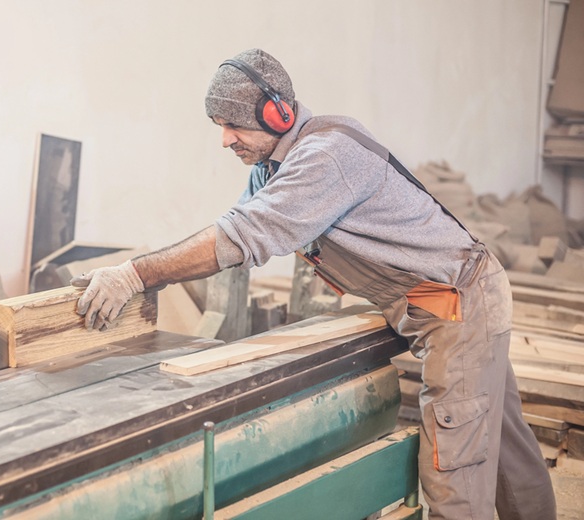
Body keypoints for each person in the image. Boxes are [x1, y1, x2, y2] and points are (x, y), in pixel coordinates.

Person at [72, 48, 556, 519]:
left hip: (458, 299)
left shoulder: (326, 155)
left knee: (454, 465)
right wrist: (156, 276)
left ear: (278, 114)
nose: (224, 139)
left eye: (233, 125)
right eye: (219, 125)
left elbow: (240, 237)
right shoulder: (270, 168)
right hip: (429, 295)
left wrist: (136, 273)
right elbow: (234, 227)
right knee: (503, 440)